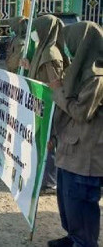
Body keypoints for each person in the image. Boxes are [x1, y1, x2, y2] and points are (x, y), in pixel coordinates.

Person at [47, 21, 102, 247]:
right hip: (70, 147)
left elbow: (81, 111)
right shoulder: (79, 70)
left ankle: (84, 242)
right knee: (68, 202)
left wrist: (58, 92)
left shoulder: (97, 77)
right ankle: (73, 237)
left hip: (86, 153)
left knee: (81, 203)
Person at [20, 14, 69, 195]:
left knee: (49, 142)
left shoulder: (50, 54)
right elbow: (41, 75)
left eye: (36, 28)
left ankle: (50, 182)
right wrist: (29, 65)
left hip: (50, 107)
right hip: (40, 105)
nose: (33, 33)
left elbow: (55, 85)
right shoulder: (42, 50)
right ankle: (43, 176)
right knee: (41, 141)